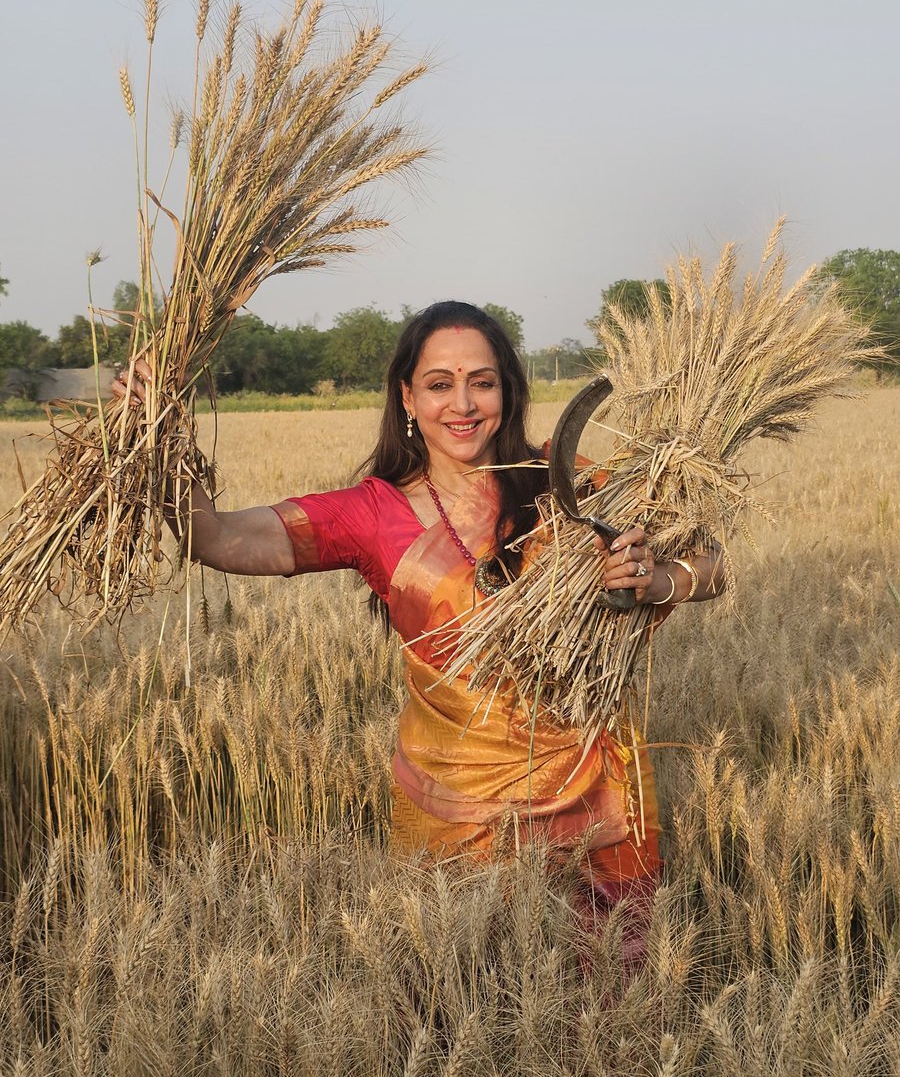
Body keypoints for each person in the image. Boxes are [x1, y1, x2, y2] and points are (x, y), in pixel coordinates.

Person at [115, 300, 721, 954]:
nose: (462, 404)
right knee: (458, 1003)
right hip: (457, 813)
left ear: (508, 392)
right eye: (439, 384)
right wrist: (161, 440)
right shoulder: (374, 513)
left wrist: (655, 580)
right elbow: (222, 539)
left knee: (606, 1017)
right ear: (407, 396)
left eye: (481, 382)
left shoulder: (573, 484)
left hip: (596, 800)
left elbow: (712, 563)